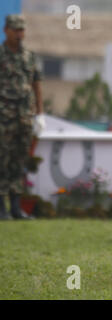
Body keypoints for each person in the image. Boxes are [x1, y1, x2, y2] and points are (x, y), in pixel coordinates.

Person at [0, 15, 45, 220]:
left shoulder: (29, 56)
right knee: (2, 160)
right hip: (3, 117)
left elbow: (37, 84)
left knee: (19, 161)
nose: (20, 34)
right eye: (16, 30)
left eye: (22, 30)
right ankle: (2, 208)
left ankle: (16, 208)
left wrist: (40, 114)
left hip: (24, 117)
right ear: (6, 30)